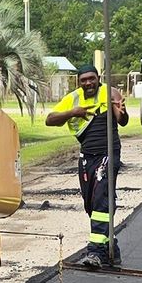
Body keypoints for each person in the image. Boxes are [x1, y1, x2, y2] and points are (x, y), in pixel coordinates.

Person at [46, 63, 130, 266]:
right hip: (86, 156)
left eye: (91, 78)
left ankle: (95, 252)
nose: (88, 83)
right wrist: (72, 113)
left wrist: (121, 111)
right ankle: (112, 248)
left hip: (108, 153)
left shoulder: (109, 92)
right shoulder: (73, 98)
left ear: (98, 77)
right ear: (79, 81)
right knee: (91, 203)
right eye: (84, 80)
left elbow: (123, 120)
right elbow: (50, 120)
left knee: (101, 199)